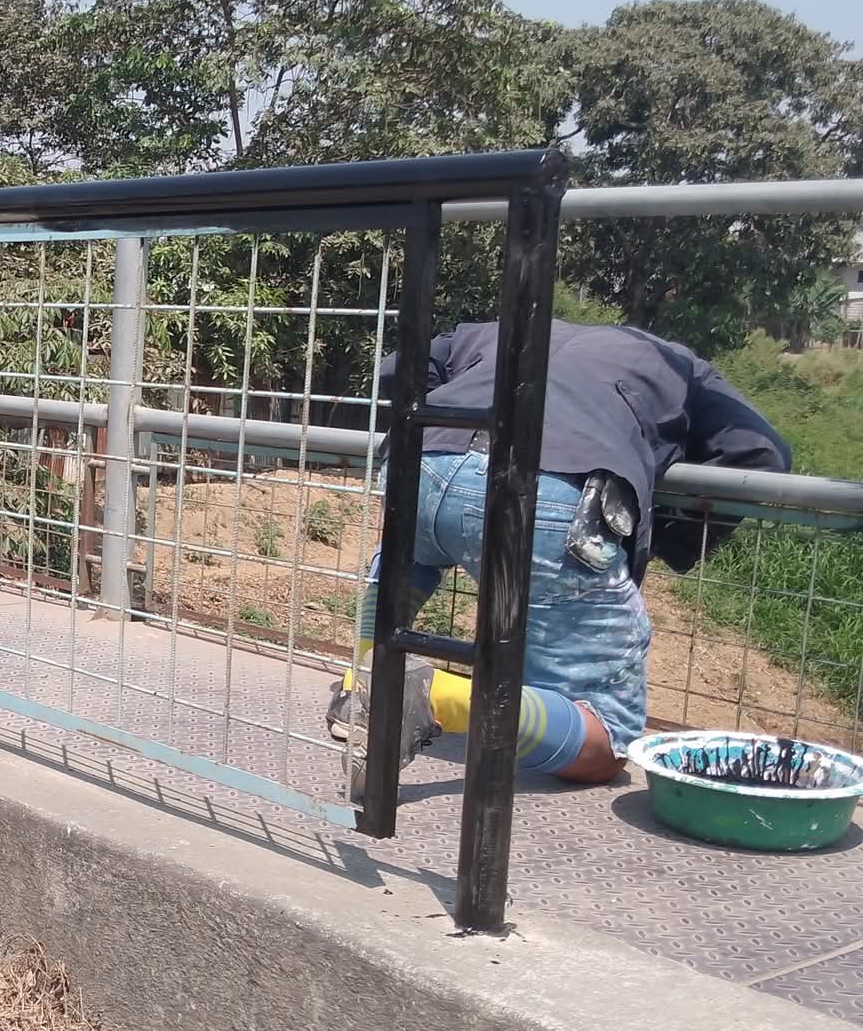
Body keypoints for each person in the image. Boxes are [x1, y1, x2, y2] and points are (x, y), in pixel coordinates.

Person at [335, 320, 790, 802]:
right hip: (548, 487)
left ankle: (360, 680)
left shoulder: (494, 330)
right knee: (607, 737)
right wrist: (667, 536)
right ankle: (430, 697)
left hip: (420, 462)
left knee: (408, 557)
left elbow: (395, 370)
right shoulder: (679, 365)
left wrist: (451, 418)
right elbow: (761, 453)